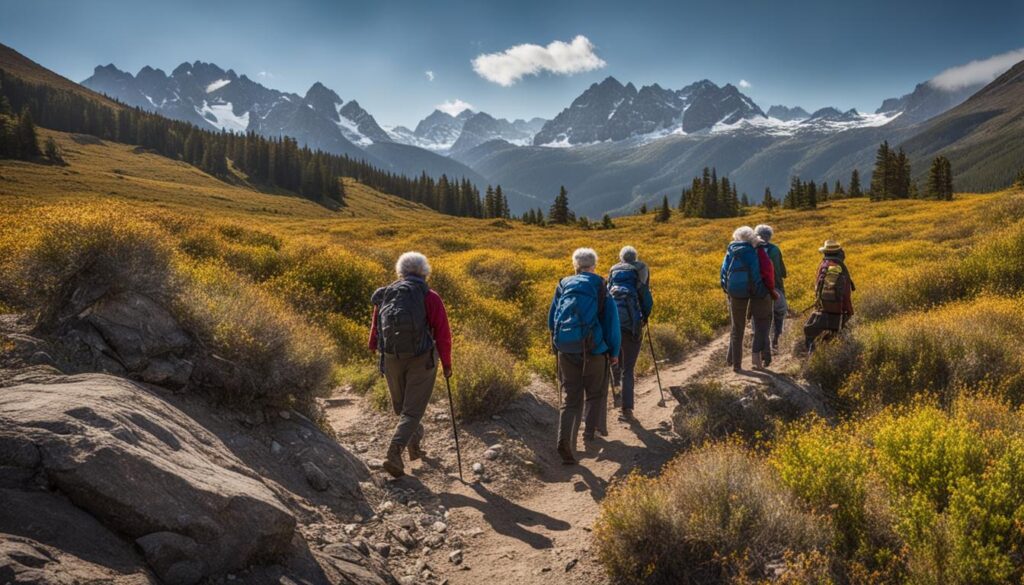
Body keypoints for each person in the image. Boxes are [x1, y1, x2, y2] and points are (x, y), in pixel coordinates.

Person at [369, 252, 453, 478]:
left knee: (402, 407)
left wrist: (375, 349)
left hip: (391, 357)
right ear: (424, 272)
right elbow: (443, 334)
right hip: (421, 358)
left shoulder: (386, 293)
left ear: (401, 271)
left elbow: (376, 326)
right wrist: (446, 363)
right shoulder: (430, 296)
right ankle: (394, 453)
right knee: (413, 410)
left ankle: (414, 446)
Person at [548, 248, 620, 464]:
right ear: (593, 266)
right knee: (595, 393)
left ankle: (565, 441)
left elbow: (552, 319)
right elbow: (611, 321)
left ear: (575, 266)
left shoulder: (563, 285)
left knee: (571, 398)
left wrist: (557, 345)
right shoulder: (599, 285)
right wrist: (614, 351)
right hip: (593, 349)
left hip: (566, 348)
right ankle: (589, 434)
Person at [721, 226, 777, 371]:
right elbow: (756, 275)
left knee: (737, 328)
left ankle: (737, 366)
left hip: (735, 293)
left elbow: (723, 272)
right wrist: (759, 292)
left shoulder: (730, 251)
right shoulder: (752, 252)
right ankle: (760, 358)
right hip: (752, 291)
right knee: (758, 324)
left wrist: (727, 290)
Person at [608, 246, 653, 421]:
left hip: (613, 326)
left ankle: (617, 397)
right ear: (635, 258)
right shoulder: (640, 269)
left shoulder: (613, 270)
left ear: (621, 258)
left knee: (615, 362)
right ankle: (627, 409)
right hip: (632, 326)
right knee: (628, 368)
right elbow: (646, 299)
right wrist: (645, 317)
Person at [804, 240, 855, 352]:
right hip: (837, 308)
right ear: (839, 253)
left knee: (817, 335)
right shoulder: (839, 267)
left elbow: (818, 287)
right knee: (836, 336)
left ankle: (815, 355)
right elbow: (845, 293)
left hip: (822, 307)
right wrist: (849, 310)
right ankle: (830, 355)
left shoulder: (823, 265)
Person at [755, 224, 788, 354]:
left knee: (760, 318)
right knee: (779, 312)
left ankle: (759, 345)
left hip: (757, 290)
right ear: (770, 236)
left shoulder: (753, 249)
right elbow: (781, 272)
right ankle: (776, 339)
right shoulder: (774, 249)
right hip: (774, 287)